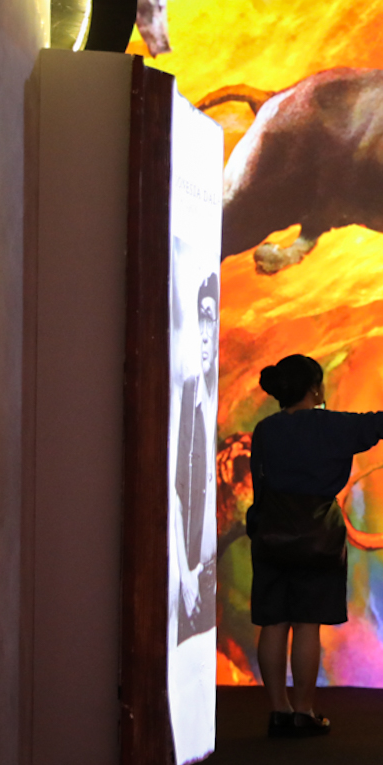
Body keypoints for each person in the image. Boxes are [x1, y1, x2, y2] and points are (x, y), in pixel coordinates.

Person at [248, 354, 383, 736]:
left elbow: (260, 483)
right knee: (306, 625)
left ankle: (279, 711)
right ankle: (303, 712)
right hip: (317, 536)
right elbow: (380, 423)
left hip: (271, 533)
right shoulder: (334, 426)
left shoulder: (265, 430)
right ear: (315, 389)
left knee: (273, 623)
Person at [174, 273, 220, 642]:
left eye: (211, 319)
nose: (205, 334)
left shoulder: (217, 397)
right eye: (200, 319)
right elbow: (176, 492)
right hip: (192, 579)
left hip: (212, 575)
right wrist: (185, 577)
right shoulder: (189, 397)